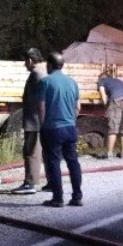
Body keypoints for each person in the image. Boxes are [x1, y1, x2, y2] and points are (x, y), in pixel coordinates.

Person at [38, 50, 83, 207]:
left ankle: (58, 198)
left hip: (52, 128)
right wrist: (71, 119)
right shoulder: (72, 82)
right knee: (73, 161)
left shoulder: (45, 82)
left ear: (49, 65)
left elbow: (42, 108)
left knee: (53, 162)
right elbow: (78, 107)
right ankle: (77, 196)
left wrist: (41, 125)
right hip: (70, 127)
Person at [11, 47, 47, 194]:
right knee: (41, 152)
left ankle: (30, 184)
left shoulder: (36, 74)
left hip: (35, 121)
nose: (24, 64)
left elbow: (42, 100)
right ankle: (49, 182)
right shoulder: (43, 73)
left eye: (25, 60)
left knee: (31, 151)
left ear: (30, 60)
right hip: (39, 120)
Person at [96, 71, 123, 159]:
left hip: (117, 101)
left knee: (113, 128)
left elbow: (104, 96)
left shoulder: (102, 81)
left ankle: (109, 154)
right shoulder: (119, 81)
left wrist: (106, 106)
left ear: (101, 78)